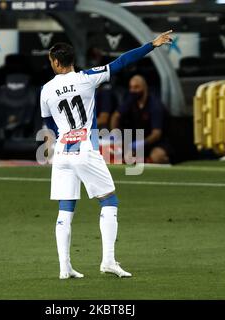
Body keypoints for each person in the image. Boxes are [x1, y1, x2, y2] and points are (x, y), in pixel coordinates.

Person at [40, 30, 173, 279]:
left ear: (56, 62)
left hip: (61, 151)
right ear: (71, 60)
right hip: (84, 148)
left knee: (65, 208)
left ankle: (64, 267)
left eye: (50, 60)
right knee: (109, 201)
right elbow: (122, 62)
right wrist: (152, 45)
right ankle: (108, 261)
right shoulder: (87, 78)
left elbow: (49, 125)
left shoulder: (46, 90)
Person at [110, 74, 171, 164]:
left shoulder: (155, 106)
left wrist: (142, 143)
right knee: (126, 154)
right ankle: (141, 160)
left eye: (136, 87)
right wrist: (115, 134)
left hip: (155, 141)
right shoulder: (130, 101)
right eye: (131, 87)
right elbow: (116, 116)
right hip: (135, 139)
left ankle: (160, 161)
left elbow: (156, 134)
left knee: (157, 156)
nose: (133, 90)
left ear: (144, 88)